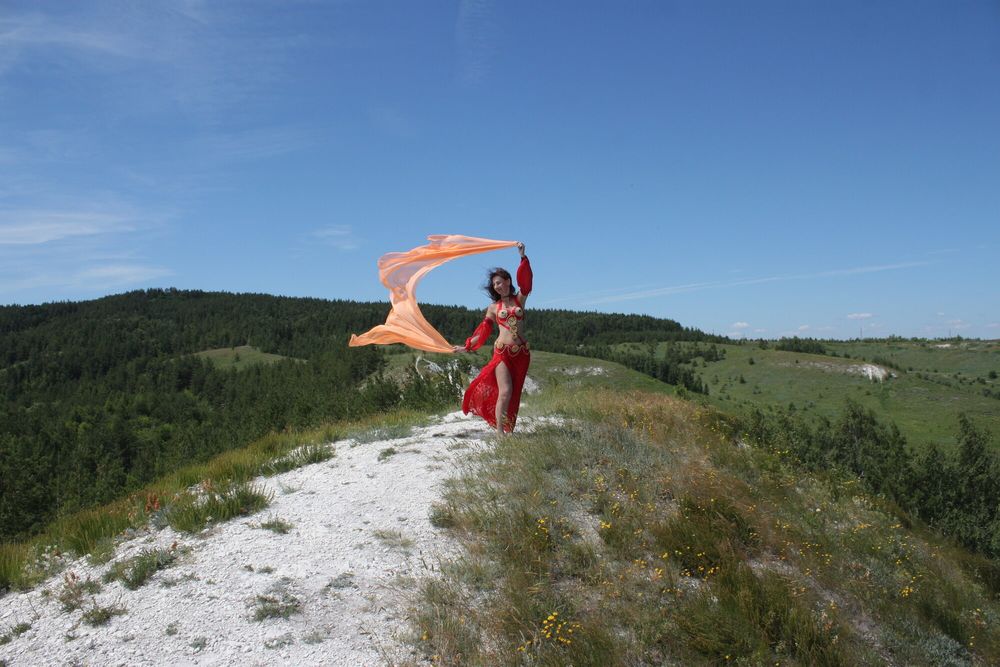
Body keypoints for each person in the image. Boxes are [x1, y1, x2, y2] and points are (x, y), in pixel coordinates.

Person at [453, 241, 532, 435]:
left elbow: (527, 283)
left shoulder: (519, 299)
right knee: (505, 392)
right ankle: (499, 434)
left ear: (508, 281)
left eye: (500, 282)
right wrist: (467, 346)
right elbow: (484, 330)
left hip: (521, 354)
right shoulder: (492, 308)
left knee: (514, 394)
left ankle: (509, 429)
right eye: (495, 284)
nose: (498, 286)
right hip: (502, 353)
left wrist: (522, 258)